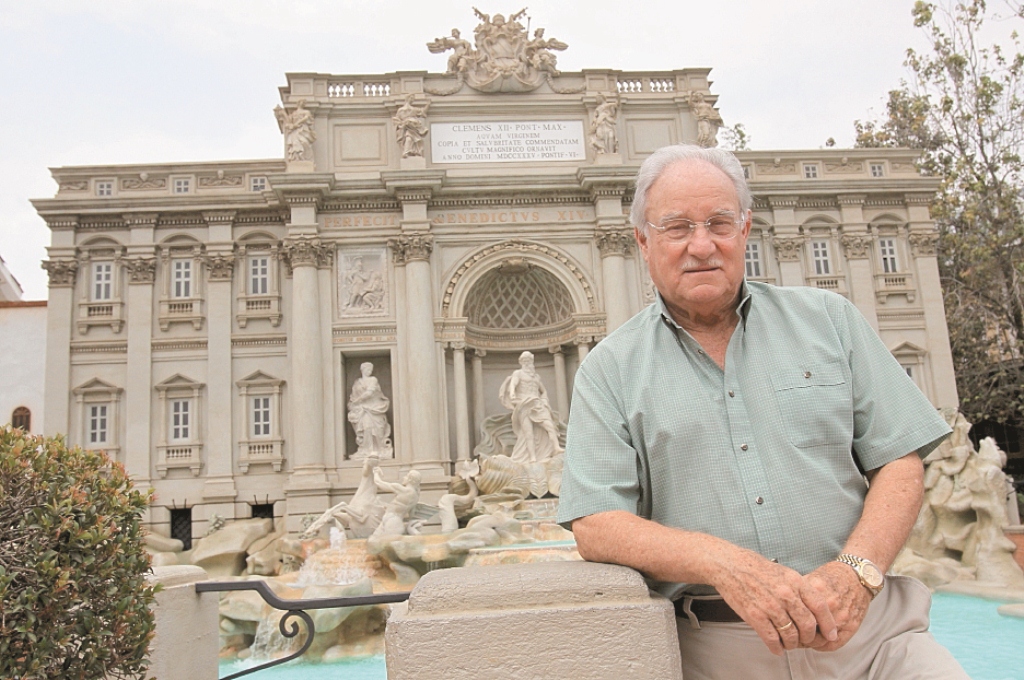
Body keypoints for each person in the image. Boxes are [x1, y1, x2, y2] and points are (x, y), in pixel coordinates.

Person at [556, 144, 968, 679]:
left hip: (873, 635)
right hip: (716, 651)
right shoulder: (608, 369)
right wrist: (722, 562)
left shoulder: (830, 320)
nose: (701, 244)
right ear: (643, 240)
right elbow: (597, 524)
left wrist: (856, 571)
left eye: (718, 223)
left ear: (745, 230)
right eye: (677, 227)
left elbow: (899, 461)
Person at [500, 351, 562, 464]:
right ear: (521, 362)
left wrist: (544, 401)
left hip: (537, 404)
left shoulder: (536, 376)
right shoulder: (518, 373)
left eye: (529, 360)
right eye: (525, 360)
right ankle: (532, 457)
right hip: (524, 405)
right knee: (528, 433)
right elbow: (513, 385)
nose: (527, 363)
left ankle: (556, 448)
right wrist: (512, 393)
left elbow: (543, 391)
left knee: (550, 426)